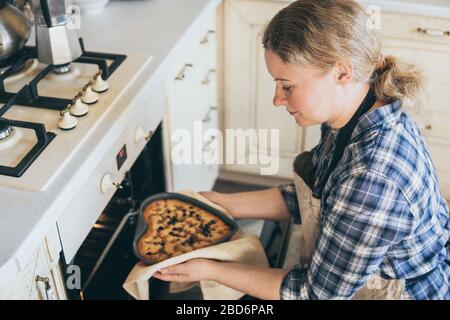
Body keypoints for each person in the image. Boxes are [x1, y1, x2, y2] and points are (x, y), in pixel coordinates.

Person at [153, 0, 450, 299]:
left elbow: (314, 294)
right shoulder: (355, 112)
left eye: (288, 86)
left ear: (342, 73)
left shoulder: (372, 176)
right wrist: (221, 203)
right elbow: (315, 197)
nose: (277, 99)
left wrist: (210, 270)